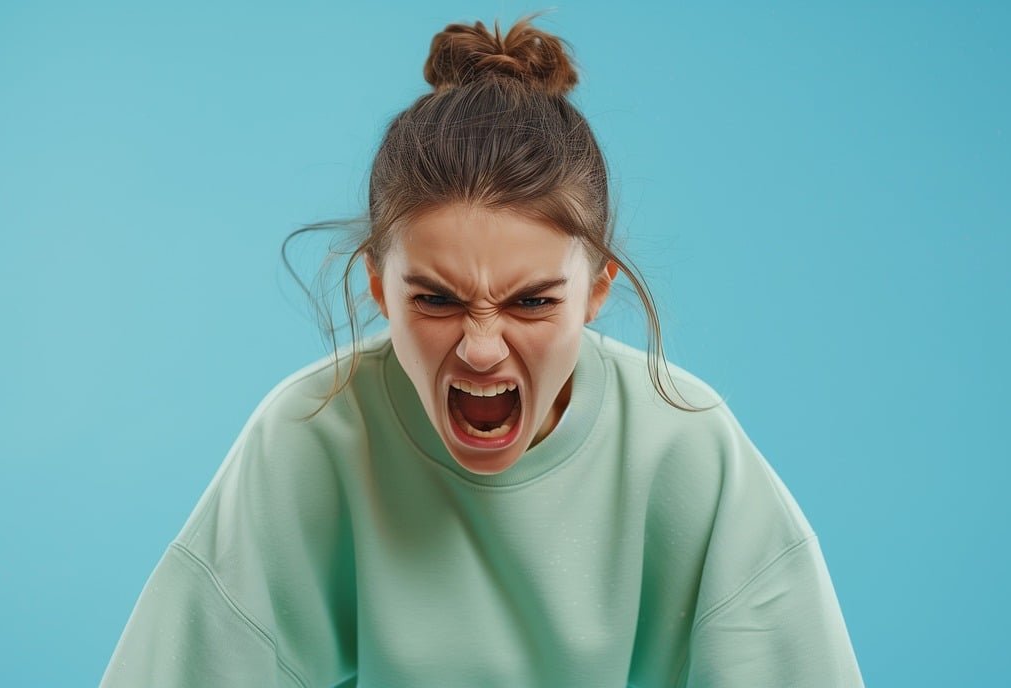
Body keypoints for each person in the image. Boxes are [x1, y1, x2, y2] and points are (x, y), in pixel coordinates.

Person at [100, 15, 864, 688]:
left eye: (532, 302)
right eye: (436, 300)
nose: (481, 348)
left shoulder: (685, 448)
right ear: (378, 286)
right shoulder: (310, 439)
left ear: (598, 289)